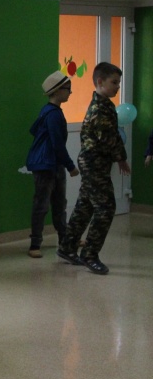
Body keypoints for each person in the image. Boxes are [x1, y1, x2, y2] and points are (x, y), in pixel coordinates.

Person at [56, 62, 131, 275]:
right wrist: (120, 157)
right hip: (93, 164)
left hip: (96, 163)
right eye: (114, 82)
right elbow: (108, 139)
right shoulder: (99, 108)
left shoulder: (106, 105)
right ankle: (89, 255)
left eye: (118, 83)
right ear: (100, 82)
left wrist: (120, 158)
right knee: (106, 207)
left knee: (85, 205)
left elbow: (113, 135)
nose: (117, 87)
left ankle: (67, 247)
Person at [25, 71, 79, 258]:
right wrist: (71, 166)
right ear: (57, 91)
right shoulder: (53, 114)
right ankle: (35, 244)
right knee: (43, 206)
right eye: (68, 89)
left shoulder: (48, 111)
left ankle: (66, 240)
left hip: (52, 164)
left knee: (58, 204)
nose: (70, 93)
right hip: (46, 165)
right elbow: (57, 144)